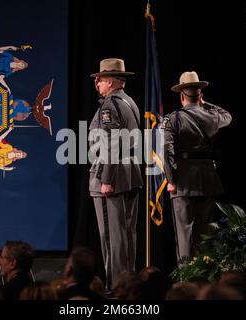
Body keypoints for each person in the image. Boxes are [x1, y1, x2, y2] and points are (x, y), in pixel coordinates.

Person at [163, 71, 232, 264]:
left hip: (184, 180)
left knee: (185, 234)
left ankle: (186, 278)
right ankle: (203, 275)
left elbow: (165, 152)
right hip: (208, 178)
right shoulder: (211, 117)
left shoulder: (173, 119)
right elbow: (227, 116)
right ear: (200, 95)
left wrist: (171, 179)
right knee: (204, 235)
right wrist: (204, 103)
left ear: (181, 96)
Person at [88, 58, 143, 289]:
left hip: (112, 177)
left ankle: (116, 289)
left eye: (99, 79)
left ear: (109, 81)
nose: (97, 83)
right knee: (127, 236)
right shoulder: (130, 102)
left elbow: (111, 142)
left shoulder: (110, 105)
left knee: (112, 239)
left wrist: (106, 179)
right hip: (130, 174)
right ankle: (129, 285)